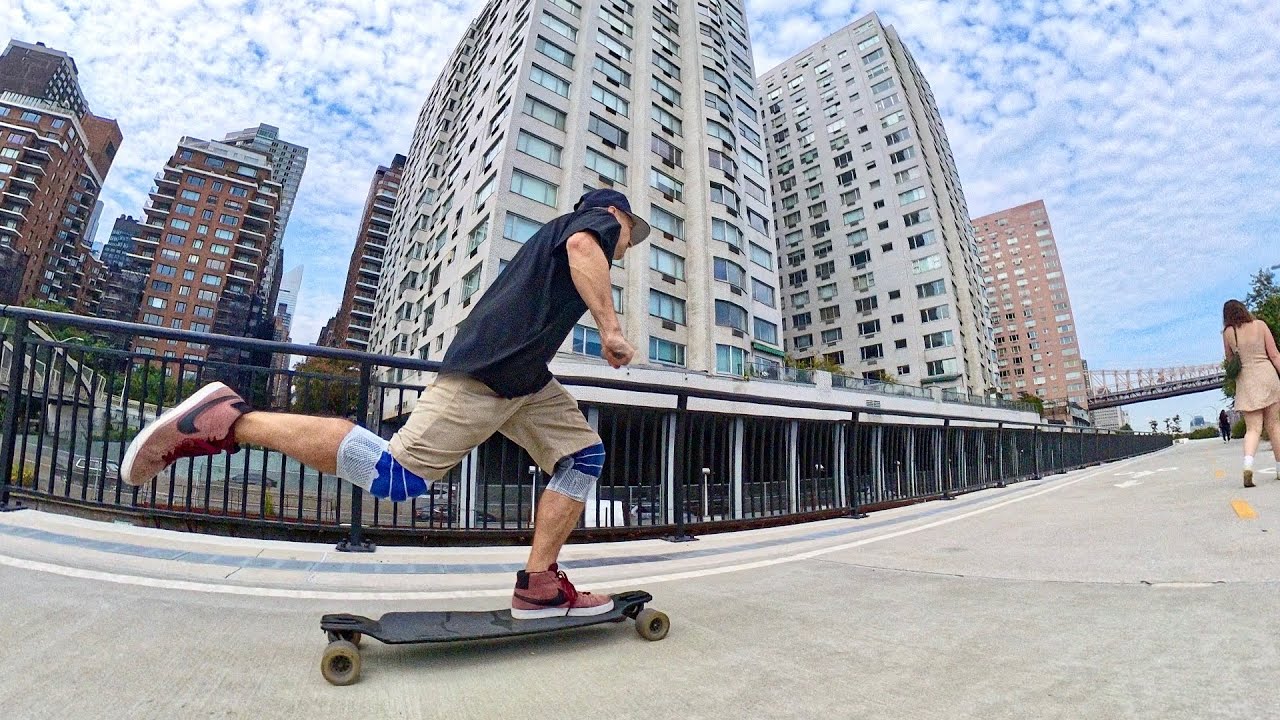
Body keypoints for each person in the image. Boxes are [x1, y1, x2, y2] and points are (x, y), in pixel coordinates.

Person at [120, 188, 651, 619]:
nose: (628, 245)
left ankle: (539, 585)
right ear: (615, 216)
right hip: (493, 368)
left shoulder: (557, 237)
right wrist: (611, 330)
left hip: (526, 379)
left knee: (583, 455)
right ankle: (230, 419)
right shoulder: (593, 226)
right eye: (632, 231)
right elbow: (584, 248)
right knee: (397, 477)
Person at [1222, 300, 1280, 487]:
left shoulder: (1228, 333)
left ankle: (1248, 466)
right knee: (1274, 426)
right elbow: (1274, 355)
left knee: (1253, 429)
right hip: (1267, 377)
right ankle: (1279, 470)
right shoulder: (1260, 325)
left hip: (1247, 382)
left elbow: (1230, 361)